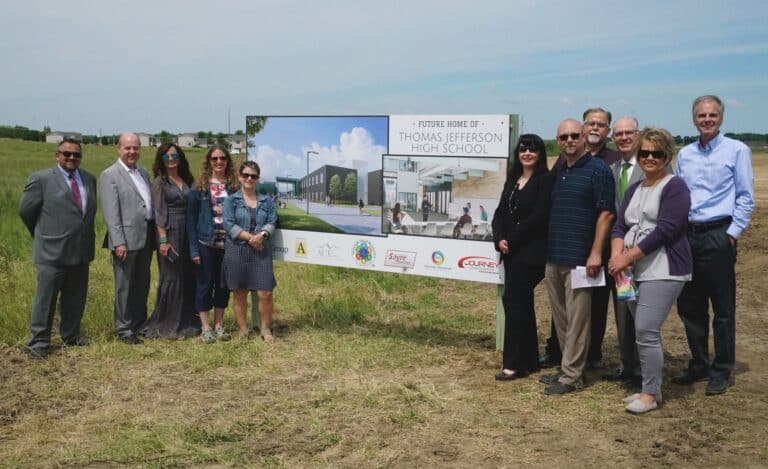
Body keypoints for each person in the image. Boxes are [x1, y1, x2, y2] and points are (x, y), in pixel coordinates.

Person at [673, 95, 755, 395]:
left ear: (721, 118)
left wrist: (731, 234)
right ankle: (699, 363)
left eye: (713, 115)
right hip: (688, 235)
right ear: (694, 118)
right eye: (701, 115)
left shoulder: (737, 150)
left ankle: (721, 369)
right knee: (689, 305)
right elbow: (680, 195)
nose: (707, 119)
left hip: (719, 234)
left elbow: (745, 197)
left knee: (722, 308)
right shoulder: (685, 154)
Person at [608, 127, 692, 413]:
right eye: (644, 153)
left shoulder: (675, 186)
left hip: (664, 267)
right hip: (630, 270)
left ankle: (650, 394)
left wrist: (627, 256)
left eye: (657, 153)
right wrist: (617, 254)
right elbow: (620, 225)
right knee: (640, 331)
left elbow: (667, 229)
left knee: (646, 329)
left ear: (667, 155)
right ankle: (648, 387)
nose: (649, 158)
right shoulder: (635, 188)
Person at [540, 107, 622, 369]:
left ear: (584, 136)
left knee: (578, 320)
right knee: (562, 318)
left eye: (574, 135)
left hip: (581, 257)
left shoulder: (599, 170)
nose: (569, 141)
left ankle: (572, 374)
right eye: (563, 137)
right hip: (555, 255)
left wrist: (596, 252)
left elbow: (606, 214)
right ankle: (566, 366)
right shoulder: (561, 168)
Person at [18, 137, 97, 359]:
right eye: (66, 153)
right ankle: (39, 343)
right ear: (57, 155)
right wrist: (43, 233)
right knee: (45, 300)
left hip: (81, 250)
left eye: (76, 154)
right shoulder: (41, 179)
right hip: (51, 252)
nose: (71, 157)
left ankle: (71, 335)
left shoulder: (89, 179)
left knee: (75, 297)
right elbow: (26, 211)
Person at [492, 134, 553, 380]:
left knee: (513, 300)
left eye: (533, 149)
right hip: (510, 251)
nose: (527, 153)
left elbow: (539, 217)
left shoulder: (545, 181)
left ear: (540, 154)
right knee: (522, 303)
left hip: (530, 252)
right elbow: (499, 213)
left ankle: (513, 364)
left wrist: (512, 239)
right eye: (523, 149)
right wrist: (499, 238)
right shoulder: (513, 179)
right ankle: (529, 361)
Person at [99, 133, 155, 344]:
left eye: (136, 148)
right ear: (118, 149)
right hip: (125, 240)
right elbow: (111, 213)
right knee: (125, 286)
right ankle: (124, 328)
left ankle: (140, 324)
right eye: (128, 148)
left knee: (142, 283)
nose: (132, 152)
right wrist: (118, 241)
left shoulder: (143, 172)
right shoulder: (110, 175)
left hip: (145, 237)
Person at [140, 143, 199, 339]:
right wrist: (163, 240)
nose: (171, 160)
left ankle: (187, 322)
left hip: (189, 231)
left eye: (174, 156)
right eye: (167, 157)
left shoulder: (188, 179)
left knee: (188, 276)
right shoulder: (160, 182)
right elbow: (158, 213)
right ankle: (166, 325)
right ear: (162, 160)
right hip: (170, 231)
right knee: (171, 277)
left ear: (180, 158)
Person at [603, 117, 644, 386]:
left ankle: (644, 370)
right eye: (619, 134)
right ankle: (627, 366)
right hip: (618, 250)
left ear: (638, 134)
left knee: (641, 313)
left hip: (642, 251)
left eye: (629, 132)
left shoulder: (651, 164)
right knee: (622, 308)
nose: (624, 137)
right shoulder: (613, 168)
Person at [222, 161, 278, 342]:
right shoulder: (231, 200)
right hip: (237, 250)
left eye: (253, 176)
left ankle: (265, 328)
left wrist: (261, 235)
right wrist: (250, 238)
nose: (249, 178)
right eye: (245, 175)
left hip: (261, 251)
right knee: (240, 292)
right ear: (239, 177)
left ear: (258, 179)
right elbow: (229, 224)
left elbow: (272, 221)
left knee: (265, 293)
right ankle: (244, 329)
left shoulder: (267, 201)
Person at [187, 145, 238, 343]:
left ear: (227, 161)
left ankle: (219, 325)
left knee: (223, 285)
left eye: (223, 158)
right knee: (204, 284)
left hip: (228, 244)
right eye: (215, 158)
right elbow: (191, 221)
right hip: (205, 243)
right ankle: (205, 327)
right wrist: (193, 249)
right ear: (209, 161)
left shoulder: (234, 187)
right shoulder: (199, 187)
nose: (219, 162)